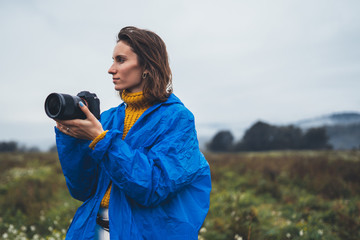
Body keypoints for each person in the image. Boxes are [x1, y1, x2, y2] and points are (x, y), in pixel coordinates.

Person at [54, 26, 211, 240]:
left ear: (147, 66)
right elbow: (81, 190)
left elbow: (153, 186)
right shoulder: (108, 119)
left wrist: (101, 140)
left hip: (143, 233)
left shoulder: (177, 119)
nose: (111, 69)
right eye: (113, 60)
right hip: (93, 231)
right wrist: (71, 138)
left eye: (121, 60)